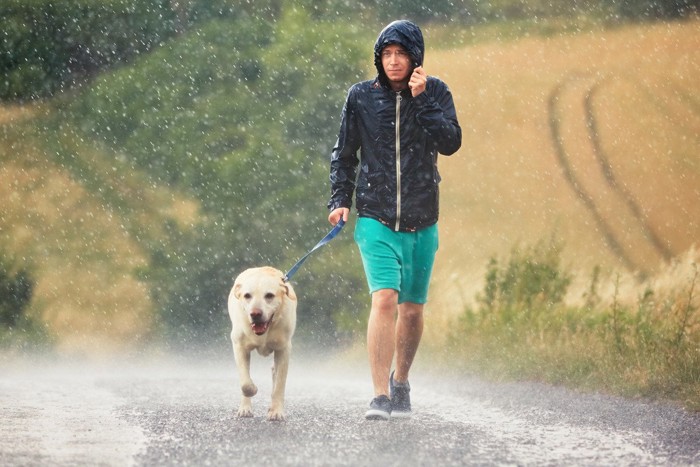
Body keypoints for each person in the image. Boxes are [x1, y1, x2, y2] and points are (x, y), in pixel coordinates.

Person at [327, 19, 462, 420]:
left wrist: (422, 101)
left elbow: (451, 143)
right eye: (387, 54)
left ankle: (401, 380)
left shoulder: (436, 91)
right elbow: (344, 153)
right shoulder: (361, 97)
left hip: (423, 217)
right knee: (384, 299)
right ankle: (380, 394)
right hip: (375, 217)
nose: (394, 61)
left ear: (416, 57)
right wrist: (340, 199)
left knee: (413, 310)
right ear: (378, 59)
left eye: (401, 54)